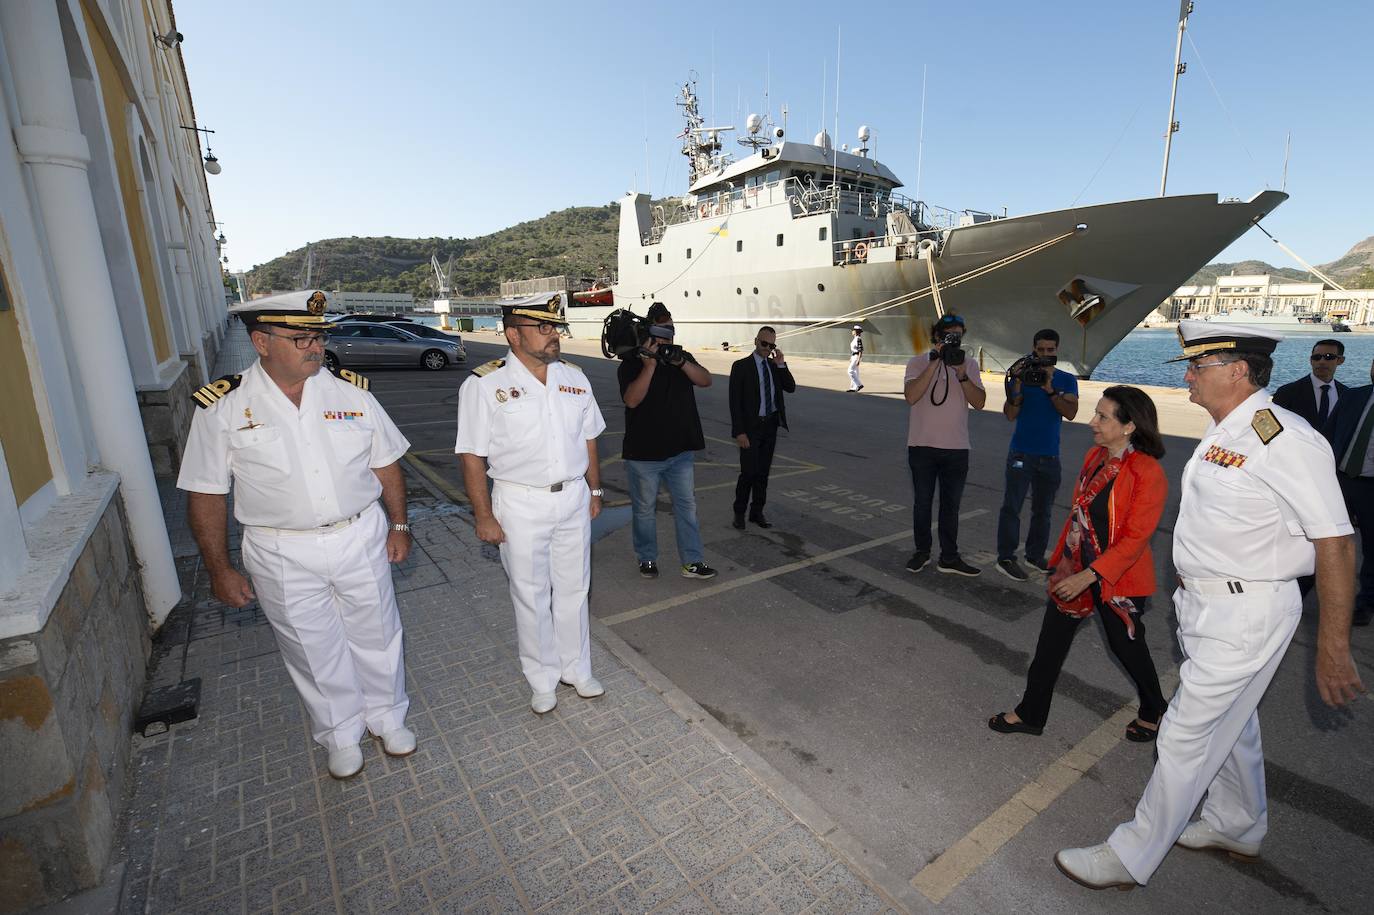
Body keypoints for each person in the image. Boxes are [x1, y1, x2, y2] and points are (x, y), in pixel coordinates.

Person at [1055, 321, 1364, 890]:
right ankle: (1237, 825)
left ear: (1238, 371)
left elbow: (1336, 541)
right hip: (1208, 608)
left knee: (1183, 734)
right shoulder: (1228, 429)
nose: (1190, 376)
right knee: (1236, 724)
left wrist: (1333, 644)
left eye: (1199, 366)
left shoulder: (1283, 438)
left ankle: (1130, 856)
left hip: (1248, 612)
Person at [178, 290, 415, 780]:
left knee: (379, 633)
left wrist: (399, 524)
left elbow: (385, 463)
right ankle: (340, 733)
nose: (314, 346)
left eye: (318, 335)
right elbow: (205, 493)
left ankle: (388, 718)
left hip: (358, 535)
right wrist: (219, 568)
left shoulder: (353, 392)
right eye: (301, 337)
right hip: (279, 548)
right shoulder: (222, 405)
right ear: (261, 342)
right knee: (311, 647)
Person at [456, 294, 607, 715]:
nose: (554, 333)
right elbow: (471, 454)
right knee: (531, 593)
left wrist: (595, 490)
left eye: (554, 326)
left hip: (573, 496)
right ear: (513, 334)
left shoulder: (575, 377)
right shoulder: (485, 384)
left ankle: (576, 668)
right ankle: (541, 678)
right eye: (543, 328)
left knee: (575, 588)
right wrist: (483, 514)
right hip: (519, 501)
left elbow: (589, 437)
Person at [989, 386, 1168, 740]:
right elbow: (1078, 517)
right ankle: (1031, 714)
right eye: (1095, 414)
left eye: (1103, 417)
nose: (1092, 422)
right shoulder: (1095, 457)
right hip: (1076, 570)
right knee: (1049, 648)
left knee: (1128, 650)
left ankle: (1153, 708)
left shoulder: (1147, 472)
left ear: (1129, 425)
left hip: (1117, 580)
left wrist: (1090, 575)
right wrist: (1063, 564)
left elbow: (1135, 539)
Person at [618, 302, 717, 580]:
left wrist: (681, 362)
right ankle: (647, 558)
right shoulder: (631, 363)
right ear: (647, 335)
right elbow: (632, 400)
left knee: (687, 508)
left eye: (670, 332)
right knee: (645, 511)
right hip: (643, 455)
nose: (665, 339)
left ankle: (692, 562)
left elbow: (706, 380)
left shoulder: (680, 357)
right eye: (660, 333)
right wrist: (649, 366)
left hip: (680, 452)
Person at [903, 313, 986, 576]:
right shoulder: (917, 362)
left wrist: (962, 375)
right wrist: (934, 362)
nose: (955, 342)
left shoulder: (969, 365)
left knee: (951, 506)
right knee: (923, 504)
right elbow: (911, 396)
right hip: (922, 447)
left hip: (957, 448)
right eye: (950, 336)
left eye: (959, 337)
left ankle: (949, 557)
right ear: (937, 337)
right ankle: (922, 551)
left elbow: (980, 402)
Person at [996, 328, 1079, 580]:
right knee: (1012, 507)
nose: (1045, 354)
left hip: (1049, 456)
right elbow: (1010, 415)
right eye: (1041, 350)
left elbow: (1071, 412)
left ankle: (1034, 555)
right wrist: (1018, 384)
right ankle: (1006, 557)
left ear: (1056, 351)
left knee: (1043, 511)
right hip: (1021, 453)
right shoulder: (1022, 377)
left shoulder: (1065, 379)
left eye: (1050, 350)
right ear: (1034, 349)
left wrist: (1050, 389)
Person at [1320, 355, 1374, 626]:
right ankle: (1304, 588)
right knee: (1320, 536)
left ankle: (1365, 603)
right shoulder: (1354, 397)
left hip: (1371, 488)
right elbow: (1327, 438)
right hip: (1340, 480)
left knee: (1372, 550)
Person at [729, 326, 796, 530]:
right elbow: (735, 402)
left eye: (771, 345)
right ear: (756, 341)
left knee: (763, 473)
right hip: (751, 428)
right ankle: (739, 513)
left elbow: (790, 387)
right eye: (764, 343)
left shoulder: (774, 365)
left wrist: (781, 364)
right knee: (748, 472)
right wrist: (739, 432)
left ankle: (757, 512)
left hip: (770, 425)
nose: (767, 348)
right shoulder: (740, 366)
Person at [1272, 338, 1348, 429]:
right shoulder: (1288, 392)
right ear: (1311, 361)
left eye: (1328, 357)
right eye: (1316, 357)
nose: (1321, 362)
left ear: (1340, 360)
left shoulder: (1347, 394)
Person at [847, 325, 865, 392]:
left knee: (850, 371)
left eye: (853, 330)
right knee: (855, 372)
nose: (852, 331)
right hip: (854, 356)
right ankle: (853, 388)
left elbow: (860, 350)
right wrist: (851, 357)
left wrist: (858, 360)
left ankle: (859, 384)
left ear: (856, 331)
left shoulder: (858, 339)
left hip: (856, 357)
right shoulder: (855, 338)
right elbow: (854, 350)